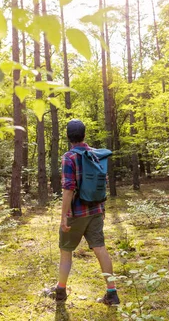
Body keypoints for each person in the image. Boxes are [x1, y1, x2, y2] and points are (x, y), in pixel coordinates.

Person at [53, 119, 120, 306]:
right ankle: (112, 293)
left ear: (68, 136)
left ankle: (60, 291)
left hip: (76, 212)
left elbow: (68, 189)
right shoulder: (96, 155)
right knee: (100, 248)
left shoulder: (69, 157)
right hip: (96, 209)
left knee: (66, 251)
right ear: (84, 135)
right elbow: (102, 183)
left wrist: (64, 216)